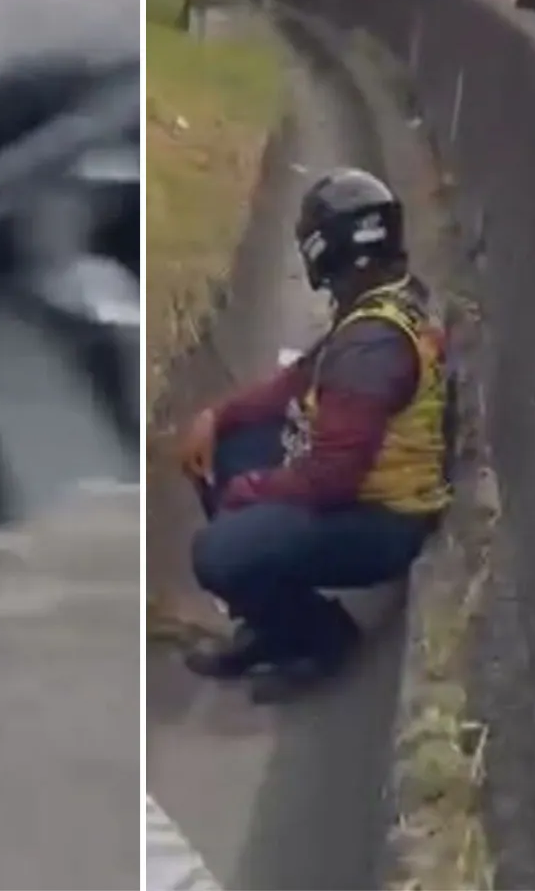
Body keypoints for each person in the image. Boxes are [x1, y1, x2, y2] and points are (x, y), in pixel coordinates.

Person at [176, 168, 452, 697]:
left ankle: (323, 637)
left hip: (384, 521)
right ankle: (273, 627)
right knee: (229, 447)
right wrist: (218, 416)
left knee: (217, 553)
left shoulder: (369, 348)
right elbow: (296, 380)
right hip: (366, 494)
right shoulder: (382, 305)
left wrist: (248, 491)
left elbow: (331, 479)